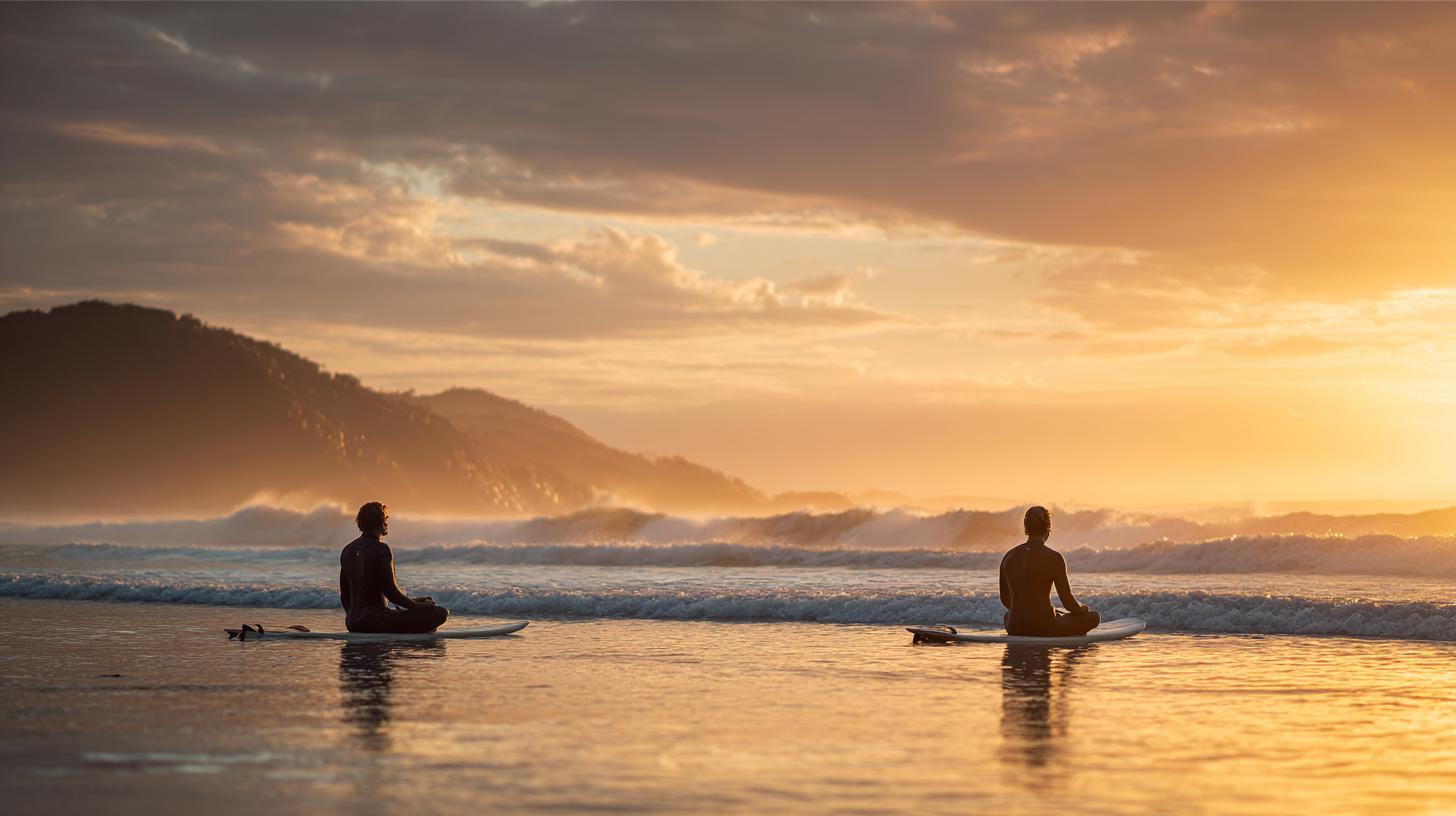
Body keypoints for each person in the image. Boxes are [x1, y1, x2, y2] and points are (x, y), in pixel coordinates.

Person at [339, 502, 449, 634]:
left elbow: (345, 594)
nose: (387, 523)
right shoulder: (381, 549)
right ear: (380, 522)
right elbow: (390, 592)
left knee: (405, 613)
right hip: (376, 621)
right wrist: (417, 606)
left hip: (352, 622)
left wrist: (354, 619)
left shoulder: (347, 550)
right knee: (440, 613)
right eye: (386, 519)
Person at [999, 505, 1099, 637]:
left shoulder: (1008, 556)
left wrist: (1025, 612)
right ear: (1048, 529)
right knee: (1093, 617)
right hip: (1044, 627)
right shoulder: (1054, 558)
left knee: (1008, 615)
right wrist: (1082, 609)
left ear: (1026, 529)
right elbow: (1068, 602)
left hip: (1014, 627)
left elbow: (1005, 600)